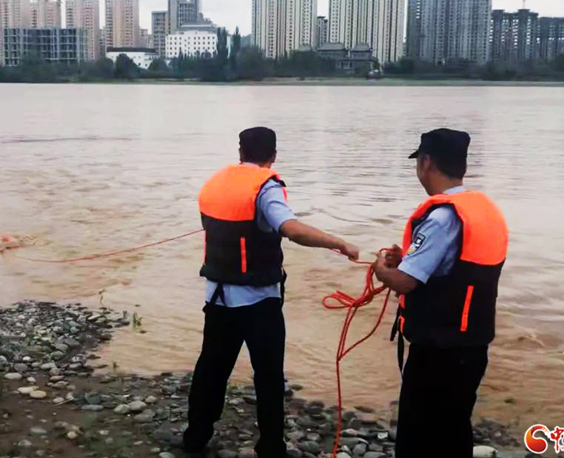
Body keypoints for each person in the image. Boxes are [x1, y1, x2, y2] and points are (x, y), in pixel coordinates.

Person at [183, 127, 361, 457]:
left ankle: (195, 437)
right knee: (268, 377)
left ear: (240, 152)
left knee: (211, 369)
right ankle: (270, 447)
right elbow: (290, 228)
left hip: (217, 296)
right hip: (258, 301)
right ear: (273, 156)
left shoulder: (216, 182)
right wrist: (340, 244)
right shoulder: (266, 187)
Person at [374, 128, 509, 458]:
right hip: (473, 346)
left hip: (439, 351)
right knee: (453, 431)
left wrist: (382, 269)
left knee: (417, 438)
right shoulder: (484, 210)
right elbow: (457, 270)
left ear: (426, 162)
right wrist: (408, 261)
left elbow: (405, 283)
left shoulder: (441, 218)